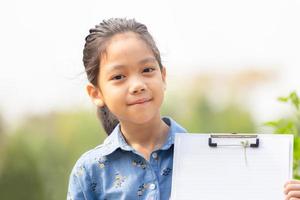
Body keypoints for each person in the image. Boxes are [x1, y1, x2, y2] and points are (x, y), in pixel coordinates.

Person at [67, 18, 300, 200]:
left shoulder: (210, 157)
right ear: (96, 93)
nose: (137, 85)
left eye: (147, 70)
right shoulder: (90, 171)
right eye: (119, 76)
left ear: (163, 76)